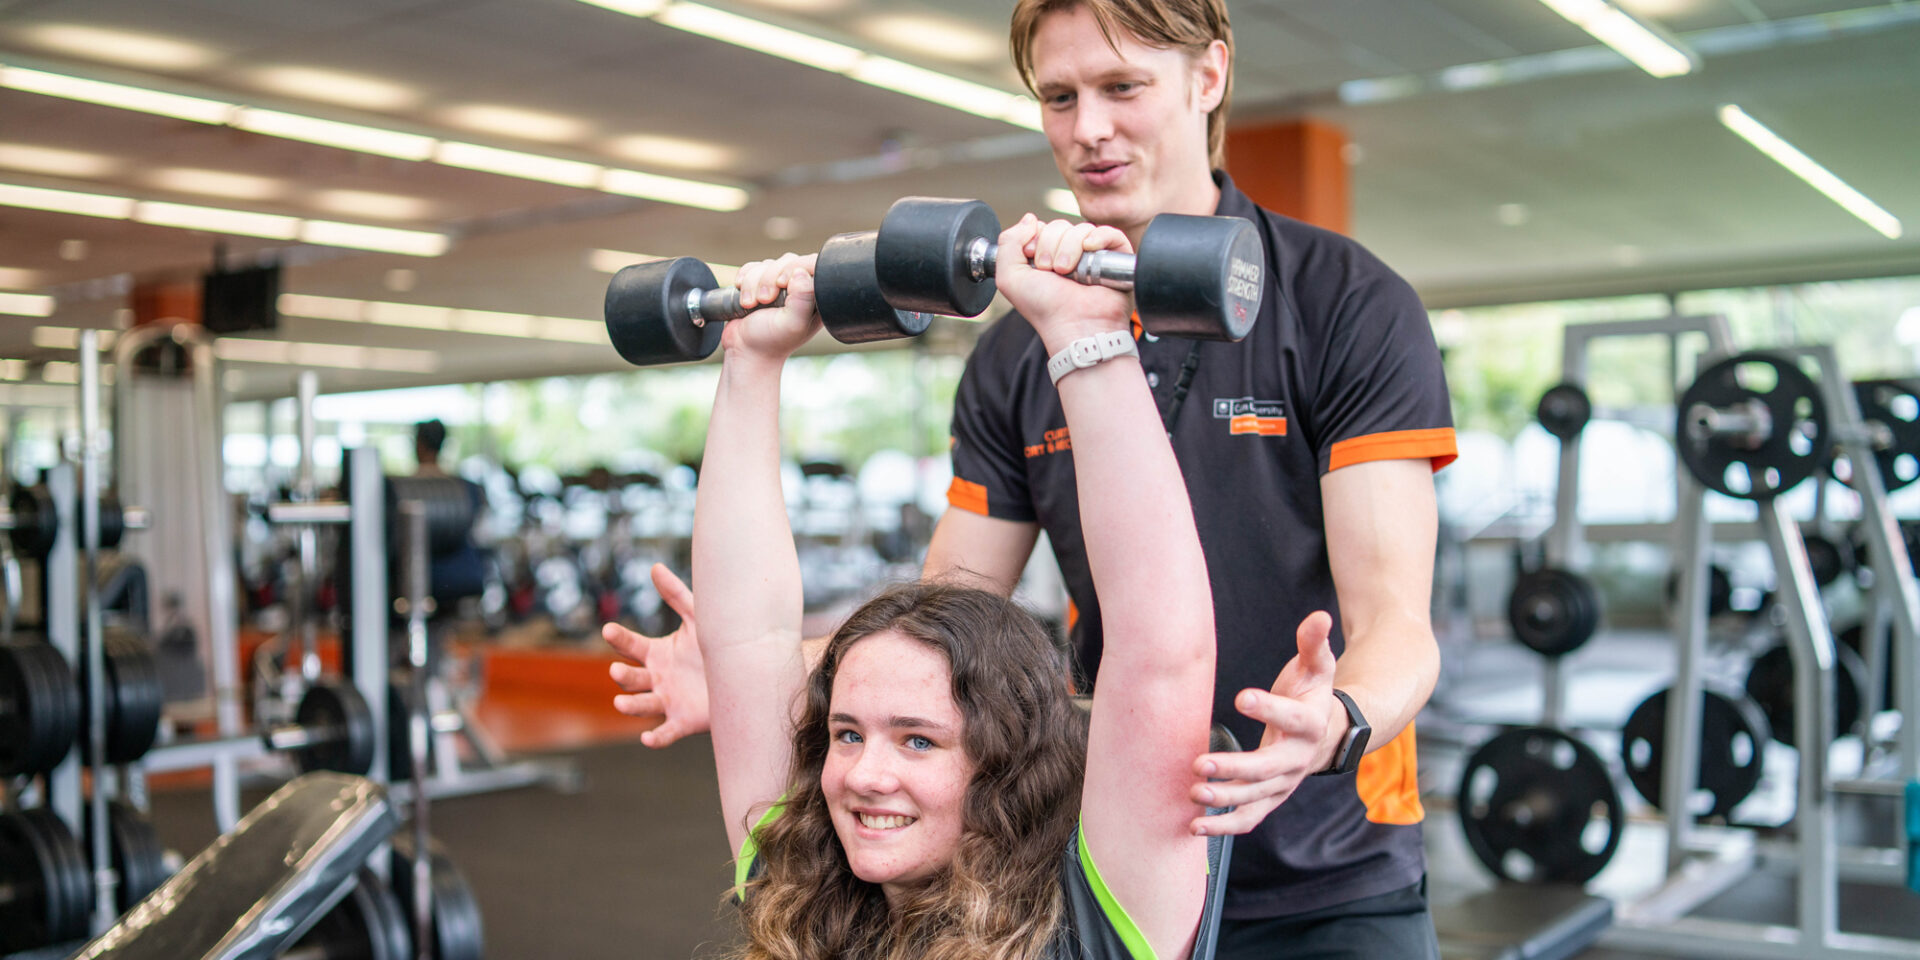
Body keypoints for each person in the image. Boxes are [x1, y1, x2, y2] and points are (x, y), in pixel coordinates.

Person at [607, 0, 1455, 955]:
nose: (1088, 129)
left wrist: (1335, 725)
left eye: (1121, 87)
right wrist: (753, 664)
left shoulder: (1343, 302)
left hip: (1327, 862)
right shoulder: (1015, 356)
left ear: (1208, 78)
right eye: (1059, 96)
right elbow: (945, 618)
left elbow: (1398, 628)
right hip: (1109, 823)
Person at [682, 222, 1218, 958]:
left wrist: (1084, 334)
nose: (865, 776)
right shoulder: (802, 892)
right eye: (846, 734)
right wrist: (750, 361)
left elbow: (1162, 651)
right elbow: (747, 640)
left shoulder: (1092, 922)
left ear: (1007, 763)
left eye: (918, 740)